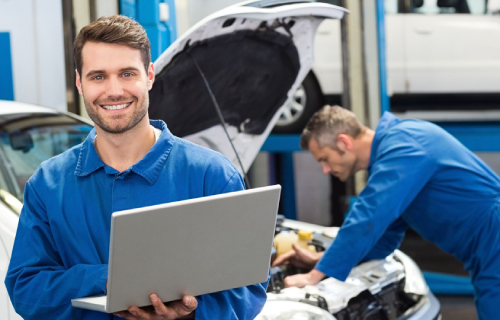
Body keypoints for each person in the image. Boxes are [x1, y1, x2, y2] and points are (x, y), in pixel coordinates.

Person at [5, 15, 268, 320]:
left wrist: (189, 314)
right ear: (79, 82)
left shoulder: (212, 176)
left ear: (150, 76)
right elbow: (26, 288)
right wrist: (113, 280)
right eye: (98, 76)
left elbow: (248, 290)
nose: (114, 91)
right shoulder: (48, 185)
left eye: (127, 73)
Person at [273, 105, 500, 320]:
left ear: (343, 143)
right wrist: (321, 261)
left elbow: (368, 216)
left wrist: (313, 277)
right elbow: (379, 241)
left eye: (324, 159)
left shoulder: (404, 145)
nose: (325, 170)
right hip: (486, 246)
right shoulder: (396, 158)